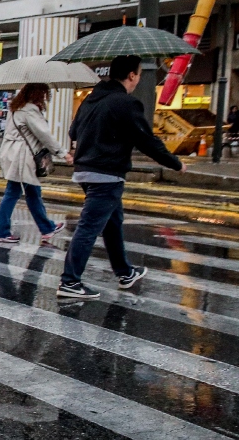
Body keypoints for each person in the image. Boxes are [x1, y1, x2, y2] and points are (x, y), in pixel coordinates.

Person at [58, 55, 184, 300]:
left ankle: (125, 272)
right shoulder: (125, 103)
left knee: (113, 222)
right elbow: (146, 140)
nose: (138, 79)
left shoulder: (90, 100)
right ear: (132, 76)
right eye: (138, 74)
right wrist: (175, 163)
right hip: (106, 173)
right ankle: (70, 282)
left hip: (86, 170)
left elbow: (74, 131)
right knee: (89, 227)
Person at [0, 84, 73, 244]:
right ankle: (0, 231)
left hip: (12, 153)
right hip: (22, 156)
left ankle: (46, 227)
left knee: (32, 192)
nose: (45, 97)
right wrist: (63, 153)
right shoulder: (29, 110)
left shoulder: (16, 107)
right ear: (37, 94)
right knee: (14, 192)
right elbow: (44, 135)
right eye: (43, 94)